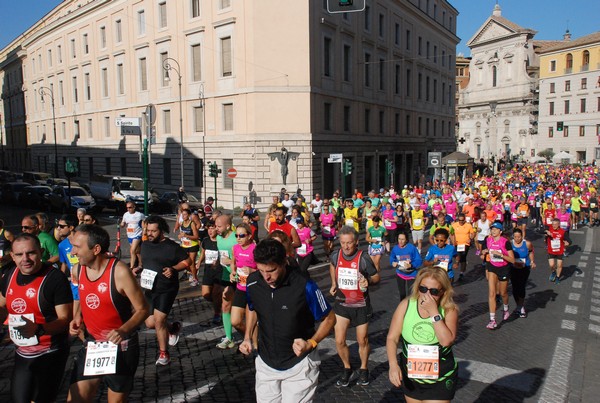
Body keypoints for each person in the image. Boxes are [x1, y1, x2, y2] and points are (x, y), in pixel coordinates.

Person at [239, 239, 336, 403]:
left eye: (271, 270)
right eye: (261, 270)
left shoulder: (305, 285)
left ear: (284, 262)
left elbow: (330, 318)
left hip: (299, 364)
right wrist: (248, 337)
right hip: (266, 362)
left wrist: (311, 343)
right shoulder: (253, 282)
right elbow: (252, 306)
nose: (266, 277)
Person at [68, 224, 149, 402]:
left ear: (96, 249)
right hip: (93, 345)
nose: (73, 252)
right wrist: (77, 317)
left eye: (77, 247)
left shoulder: (119, 272)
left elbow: (143, 309)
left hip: (121, 347)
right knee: (76, 399)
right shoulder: (77, 270)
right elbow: (85, 295)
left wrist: (123, 330)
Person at [0, 233, 73, 403]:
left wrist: (39, 328)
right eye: (19, 255)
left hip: (50, 351)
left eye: (31, 253)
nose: (25, 259)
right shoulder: (9, 276)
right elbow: (2, 307)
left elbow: (64, 320)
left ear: (41, 252)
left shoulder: (55, 279)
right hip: (23, 353)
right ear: (12, 256)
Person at [386, 267, 459, 402]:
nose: (427, 295)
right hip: (411, 377)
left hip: (440, 378)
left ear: (443, 292)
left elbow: (446, 341)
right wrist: (393, 365)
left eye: (434, 292)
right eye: (423, 289)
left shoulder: (449, 310)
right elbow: (392, 338)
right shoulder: (406, 305)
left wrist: (433, 312)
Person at [329, 226, 380, 387]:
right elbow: (332, 265)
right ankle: (347, 368)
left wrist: (369, 281)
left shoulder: (363, 258)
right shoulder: (336, 255)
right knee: (339, 340)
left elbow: (376, 276)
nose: (346, 246)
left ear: (356, 242)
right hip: (342, 303)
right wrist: (333, 283)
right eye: (343, 243)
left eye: (349, 243)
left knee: (362, 340)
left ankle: (364, 368)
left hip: (360, 304)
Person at [140, 216, 191, 365]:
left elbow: (188, 261)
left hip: (166, 288)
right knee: (150, 323)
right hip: (149, 288)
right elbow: (146, 263)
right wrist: (138, 269)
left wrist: (173, 269)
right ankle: (173, 328)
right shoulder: (144, 245)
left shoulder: (171, 247)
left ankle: (164, 354)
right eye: (148, 230)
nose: (150, 234)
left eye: (153, 231)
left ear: (161, 231)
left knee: (159, 320)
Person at [480, 221, 515, 329]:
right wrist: (483, 253)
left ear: (500, 231)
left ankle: (505, 308)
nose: (493, 231)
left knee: (503, 293)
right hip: (492, 266)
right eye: (492, 229)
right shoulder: (488, 239)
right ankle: (492, 320)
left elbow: (512, 260)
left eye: (495, 229)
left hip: (504, 268)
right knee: (492, 293)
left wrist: (501, 255)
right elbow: (482, 255)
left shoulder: (505, 242)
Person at [229, 223, 257, 337]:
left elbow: (264, 268)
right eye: (236, 236)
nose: (238, 238)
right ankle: (248, 338)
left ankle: (255, 347)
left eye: (242, 235)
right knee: (235, 321)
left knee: (254, 323)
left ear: (249, 236)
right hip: (240, 288)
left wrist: (252, 271)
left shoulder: (255, 249)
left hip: (254, 288)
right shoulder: (235, 248)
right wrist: (233, 272)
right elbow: (233, 262)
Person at [215, 214, 238, 349]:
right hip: (226, 274)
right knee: (225, 305)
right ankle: (229, 337)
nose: (217, 229)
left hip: (239, 275)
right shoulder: (218, 237)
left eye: (219, 226)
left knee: (248, 308)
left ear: (228, 226)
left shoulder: (236, 238)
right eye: (216, 226)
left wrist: (232, 262)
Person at [198, 221, 223, 325]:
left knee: (215, 293)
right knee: (206, 294)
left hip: (219, 271)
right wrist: (199, 262)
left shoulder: (221, 241)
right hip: (208, 271)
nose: (210, 231)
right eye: (208, 229)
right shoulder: (205, 241)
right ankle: (220, 304)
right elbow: (203, 253)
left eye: (212, 228)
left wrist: (218, 261)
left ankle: (217, 314)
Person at [390, 232, 423, 300]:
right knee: (402, 294)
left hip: (411, 274)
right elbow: (392, 258)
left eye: (403, 239)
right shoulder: (395, 248)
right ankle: (403, 309)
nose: (400, 241)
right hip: (400, 273)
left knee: (411, 295)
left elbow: (419, 260)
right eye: (399, 239)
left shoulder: (412, 248)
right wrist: (393, 262)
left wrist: (411, 265)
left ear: (406, 240)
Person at [511, 229, 536, 318]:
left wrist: (532, 261)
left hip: (525, 267)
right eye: (515, 237)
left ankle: (521, 307)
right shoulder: (510, 244)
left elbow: (531, 252)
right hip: (513, 268)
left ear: (522, 236)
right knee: (514, 288)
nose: (517, 239)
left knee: (521, 286)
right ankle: (518, 305)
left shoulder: (527, 243)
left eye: (519, 237)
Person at [177, 208, 200, 286]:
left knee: (191, 263)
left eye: (185, 214)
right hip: (184, 245)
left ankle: (195, 279)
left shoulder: (192, 224)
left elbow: (196, 236)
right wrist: (180, 236)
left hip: (193, 245)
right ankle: (193, 272)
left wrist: (186, 235)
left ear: (189, 215)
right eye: (182, 214)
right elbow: (181, 234)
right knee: (185, 263)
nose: (183, 216)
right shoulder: (182, 223)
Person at [120, 201, 145, 272]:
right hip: (130, 235)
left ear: (134, 207)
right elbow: (123, 223)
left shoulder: (139, 215)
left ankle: (131, 267)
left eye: (130, 207)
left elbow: (144, 221)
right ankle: (140, 264)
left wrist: (144, 231)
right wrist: (121, 225)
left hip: (137, 235)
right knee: (137, 252)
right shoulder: (125, 214)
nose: (128, 209)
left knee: (132, 250)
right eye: (127, 208)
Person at [545, 218, 570, 285]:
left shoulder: (563, 232)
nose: (554, 226)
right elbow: (541, 230)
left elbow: (569, 241)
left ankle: (557, 278)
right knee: (551, 265)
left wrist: (567, 244)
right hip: (551, 250)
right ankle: (553, 272)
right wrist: (547, 232)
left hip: (559, 251)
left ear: (559, 224)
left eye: (555, 224)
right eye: (553, 224)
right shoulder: (549, 229)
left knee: (559, 265)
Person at [451, 213, 475, 281]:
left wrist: (470, 239)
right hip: (457, 244)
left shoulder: (468, 225)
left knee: (463, 255)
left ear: (464, 219)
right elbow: (451, 234)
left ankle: (461, 273)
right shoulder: (454, 225)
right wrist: (453, 242)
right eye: (459, 220)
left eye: (462, 220)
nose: (461, 221)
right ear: (457, 219)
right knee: (458, 256)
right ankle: (458, 262)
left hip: (465, 244)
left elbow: (472, 233)